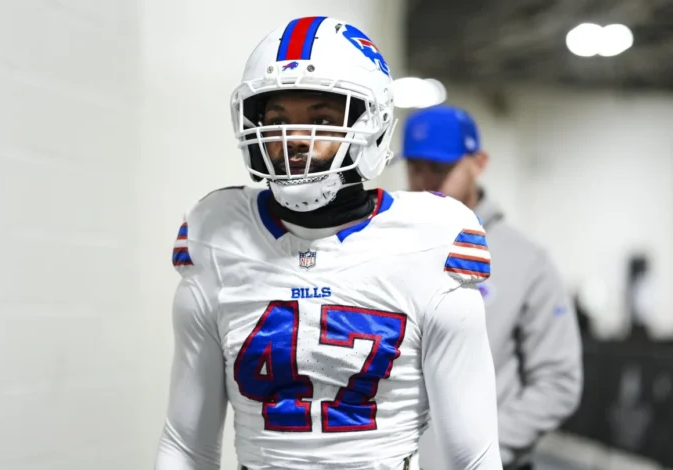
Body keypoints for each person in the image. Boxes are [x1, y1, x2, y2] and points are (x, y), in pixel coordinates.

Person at [155, 17, 502, 470]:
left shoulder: (431, 239)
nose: (295, 139)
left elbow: (472, 457)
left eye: (320, 119)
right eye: (278, 120)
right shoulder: (216, 234)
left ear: (371, 124)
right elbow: (187, 444)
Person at [402, 105, 583, 470]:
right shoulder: (388, 250)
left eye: (438, 168)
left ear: (478, 163)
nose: (424, 181)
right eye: (415, 167)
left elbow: (558, 381)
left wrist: (481, 452)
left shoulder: (526, 261)